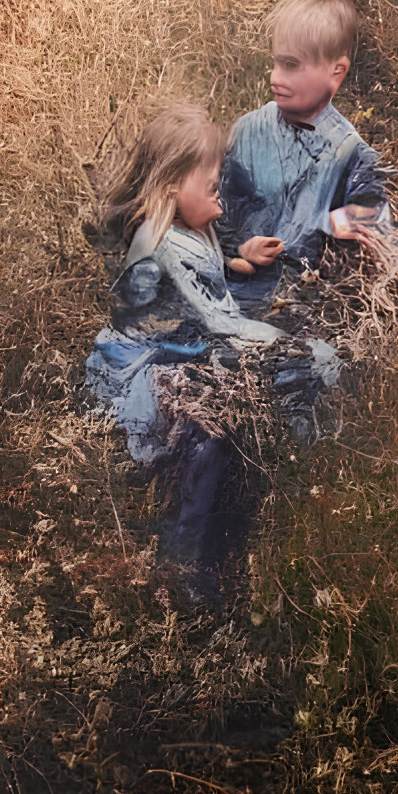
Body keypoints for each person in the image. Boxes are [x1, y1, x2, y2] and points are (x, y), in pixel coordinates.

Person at [85, 104, 338, 579]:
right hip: (157, 364)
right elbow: (212, 319)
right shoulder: (156, 241)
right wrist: (278, 341)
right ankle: (182, 557)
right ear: (171, 188)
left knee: (284, 381)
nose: (220, 197)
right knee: (210, 432)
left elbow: (209, 268)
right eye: (213, 187)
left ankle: (297, 497)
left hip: (192, 346)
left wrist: (239, 254)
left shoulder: (190, 225)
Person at [218, 0, 394, 310]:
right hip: (233, 294)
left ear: (335, 72)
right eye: (276, 62)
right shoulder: (248, 132)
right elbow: (218, 210)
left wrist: (347, 225)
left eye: (291, 66)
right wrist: (240, 248)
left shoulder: (353, 156)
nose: (275, 77)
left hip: (306, 311)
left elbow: (376, 233)